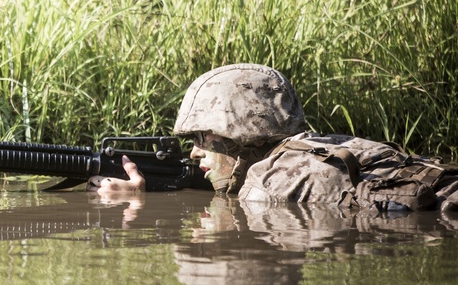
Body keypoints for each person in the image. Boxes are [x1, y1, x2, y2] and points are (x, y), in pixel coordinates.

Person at [90, 63, 458, 212]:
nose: (194, 152)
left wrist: (135, 207)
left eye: (204, 138)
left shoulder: (264, 187)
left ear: (240, 136)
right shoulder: (323, 142)